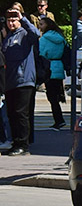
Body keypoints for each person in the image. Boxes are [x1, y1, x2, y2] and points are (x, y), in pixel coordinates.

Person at [2, 8, 40, 155]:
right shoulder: (8, 36)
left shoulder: (24, 34)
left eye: (14, 20)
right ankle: (16, 143)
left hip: (23, 80)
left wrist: (23, 18)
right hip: (10, 81)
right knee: (12, 113)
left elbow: (35, 34)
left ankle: (23, 145)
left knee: (21, 113)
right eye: (9, 20)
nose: (11, 22)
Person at [38, 16, 68, 130]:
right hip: (58, 66)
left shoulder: (45, 38)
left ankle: (59, 120)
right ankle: (59, 119)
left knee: (52, 97)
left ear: (47, 25)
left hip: (49, 67)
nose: (40, 27)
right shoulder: (60, 37)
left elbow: (41, 53)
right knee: (57, 95)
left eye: (41, 24)